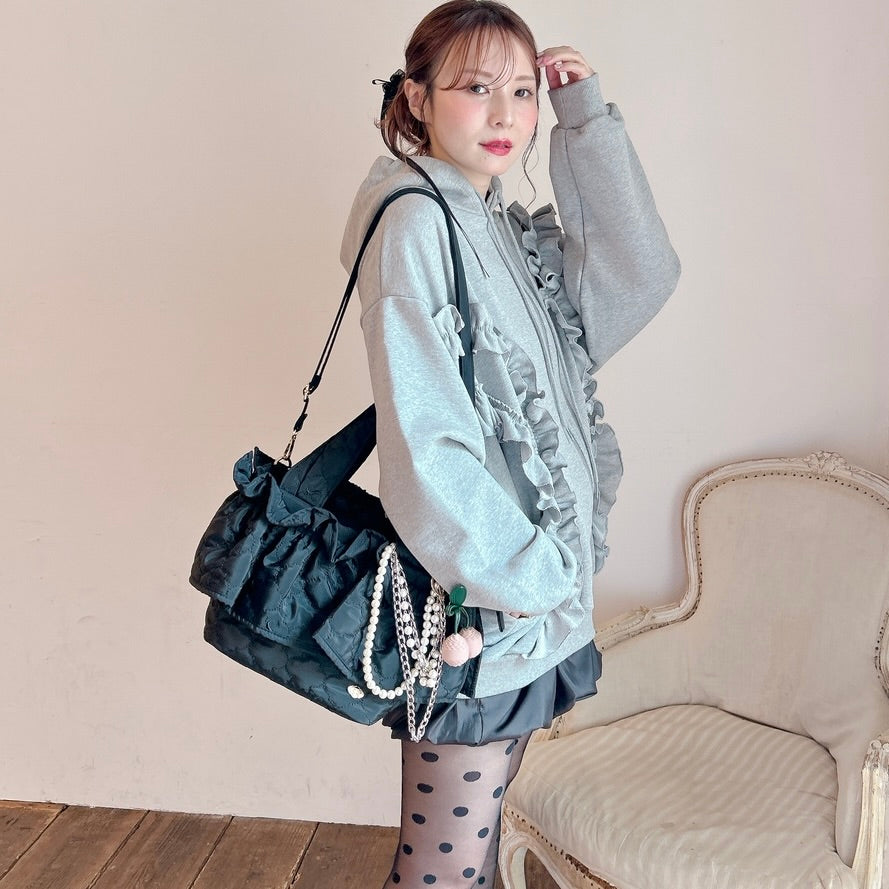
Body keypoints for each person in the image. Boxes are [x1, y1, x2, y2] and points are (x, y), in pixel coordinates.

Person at [339, 2, 680, 885]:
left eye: (522, 92)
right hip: (484, 605)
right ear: (416, 99)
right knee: (443, 866)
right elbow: (424, 444)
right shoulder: (416, 224)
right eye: (475, 88)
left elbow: (637, 278)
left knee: (471, 853)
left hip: (525, 604)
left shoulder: (494, 220)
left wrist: (584, 119)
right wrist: (526, 580)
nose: (504, 115)